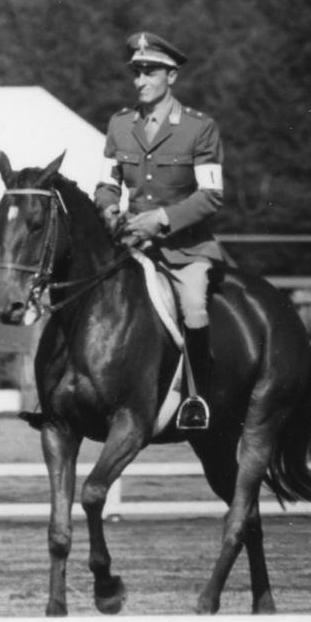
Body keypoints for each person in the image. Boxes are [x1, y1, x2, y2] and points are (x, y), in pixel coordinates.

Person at [94, 31, 224, 430]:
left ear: (172, 77)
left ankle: (198, 398)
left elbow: (212, 196)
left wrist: (162, 219)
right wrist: (108, 206)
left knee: (194, 306)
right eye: (137, 72)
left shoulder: (199, 129)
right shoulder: (119, 125)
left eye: (150, 73)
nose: (140, 81)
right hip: (131, 244)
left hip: (184, 248)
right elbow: (107, 182)